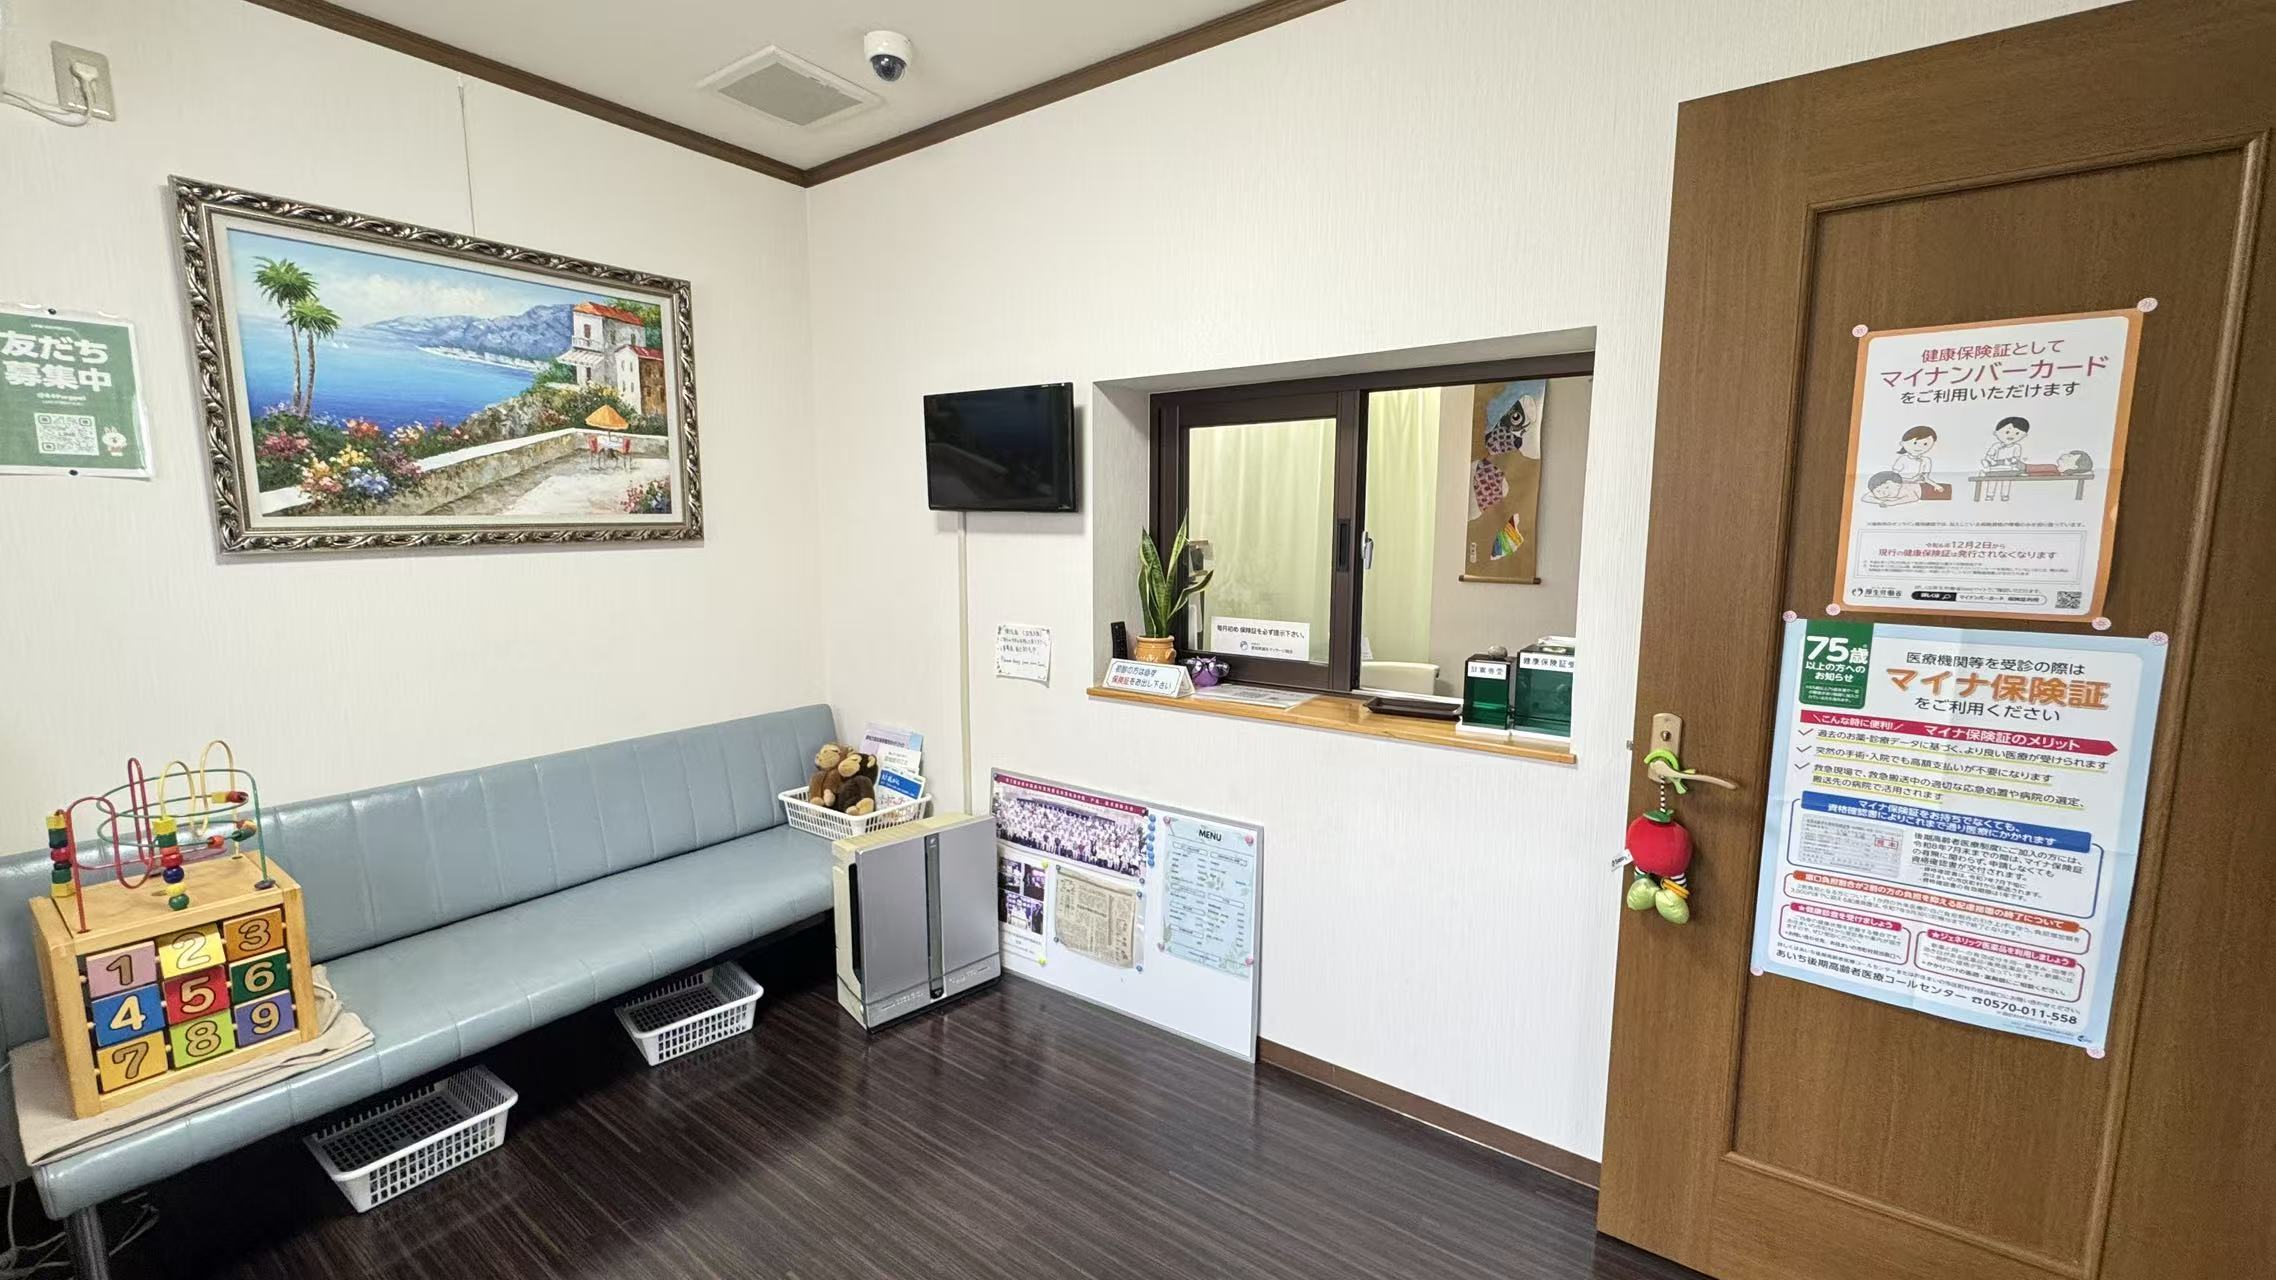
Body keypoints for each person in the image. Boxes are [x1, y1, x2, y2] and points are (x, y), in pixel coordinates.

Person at [1981, 415, 2029, 500]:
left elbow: (2016, 458)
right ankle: (1990, 495)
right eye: (2007, 432)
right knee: (1992, 480)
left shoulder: (2017, 447)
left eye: (2017, 433)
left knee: (2006, 481)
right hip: (1995, 468)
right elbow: (1989, 456)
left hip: (2009, 468)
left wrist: (2008, 461)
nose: (2011, 435)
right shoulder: (1996, 446)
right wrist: (1990, 461)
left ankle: (2005, 495)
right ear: (1996, 433)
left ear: (2024, 435)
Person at [1893, 425, 1941, 497]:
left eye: (1925, 444)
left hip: (1917, 486)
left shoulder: (1926, 460)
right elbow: (1894, 476)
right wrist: (1909, 481)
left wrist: (1936, 485)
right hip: (1901, 485)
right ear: (1902, 443)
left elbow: (1925, 478)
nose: (1920, 447)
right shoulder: (1902, 459)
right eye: (1915, 443)